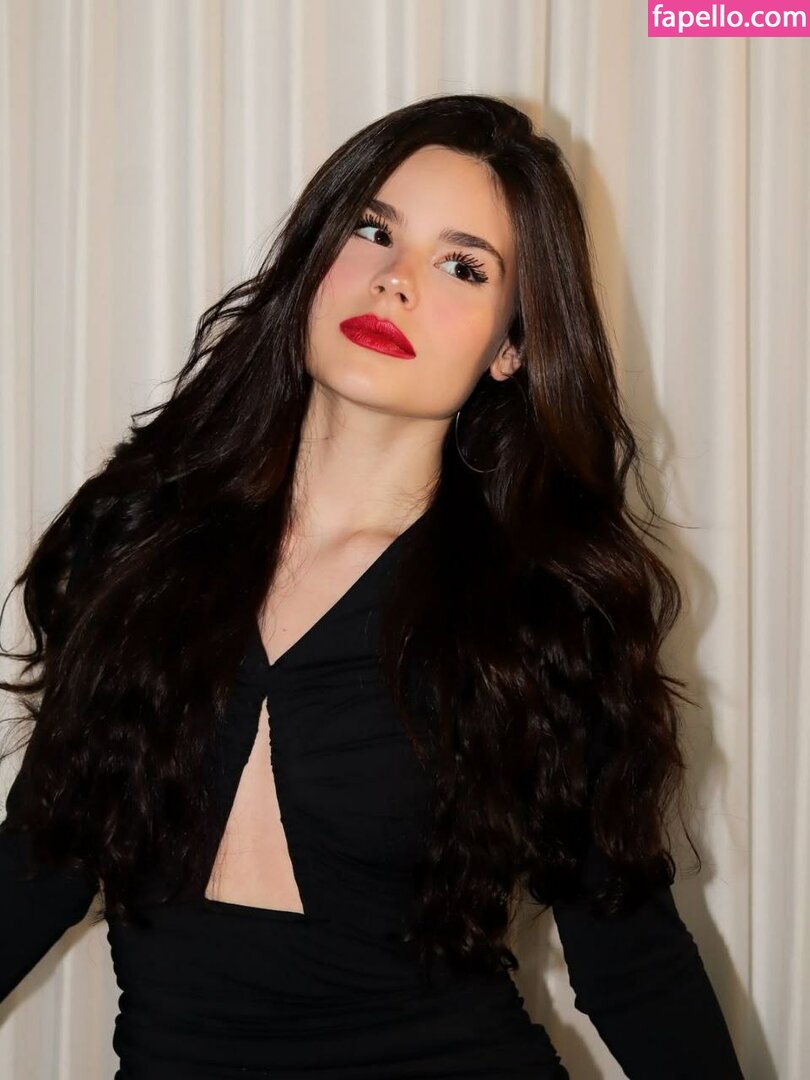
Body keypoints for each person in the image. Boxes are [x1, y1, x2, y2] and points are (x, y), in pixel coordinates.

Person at [0, 93, 744, 1078]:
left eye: (463, 267)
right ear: (317, 256)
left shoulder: (540, 612)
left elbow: (633, 960)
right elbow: (39, 865)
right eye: (373, 229)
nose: (396, 281)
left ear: (511, 346)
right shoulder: (142, 543)